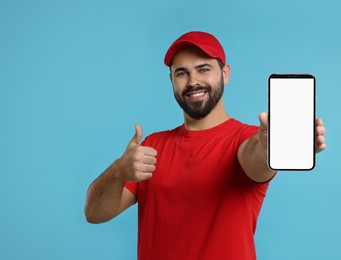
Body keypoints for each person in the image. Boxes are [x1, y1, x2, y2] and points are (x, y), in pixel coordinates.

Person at [84, 31, 327, 259]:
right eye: (182, 73)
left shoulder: (246, 139)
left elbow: (256, 159)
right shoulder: (152, 146)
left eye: (203, 69)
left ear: (225, 73)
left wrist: (270, 145)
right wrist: (118, 171)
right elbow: (93, 213)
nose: (193, 81)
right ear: (171, 80)